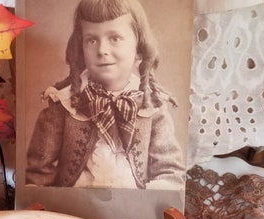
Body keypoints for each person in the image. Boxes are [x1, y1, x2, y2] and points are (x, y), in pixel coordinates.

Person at [26, 0, 185, 189]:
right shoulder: (65, 105)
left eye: (115, 38)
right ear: (80, 48)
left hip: (135, 213)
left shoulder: (152, 107)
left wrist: (147, 207)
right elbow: (37, 175)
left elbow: (170, 173)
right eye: (92, 40)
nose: (102, 50)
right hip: (74, 211)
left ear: (139, 48)